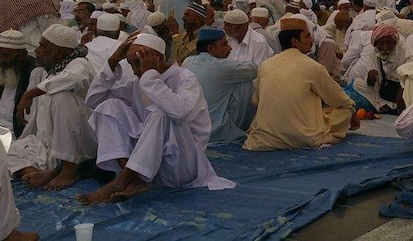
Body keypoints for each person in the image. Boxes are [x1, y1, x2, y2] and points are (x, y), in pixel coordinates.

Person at [80, 33, 233, 205]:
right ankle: (134, 179)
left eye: (139, 63)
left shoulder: (184, 78)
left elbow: (181, 112)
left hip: (180, 165)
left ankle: (122, 180)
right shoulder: (138, 82)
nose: (136, 71)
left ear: (158, 58)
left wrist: (150, 76)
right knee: (108, 107)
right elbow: (93, 101)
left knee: (162, 110)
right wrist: (113, 61)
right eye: (131, 64)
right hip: (148, 170)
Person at [244, 17, 357, 151]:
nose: (312, 40)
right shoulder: (313, 66)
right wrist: (353, 111)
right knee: (346, 110)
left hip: (264, 138)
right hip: (303, 136)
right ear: (295, 42)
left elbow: (256, 102)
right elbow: (339, 99)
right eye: (308, 36)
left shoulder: (265, 65)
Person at [7, 25, 96, 191]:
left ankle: (69, 170)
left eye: (43, 46)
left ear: (60, 52)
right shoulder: (42, 72)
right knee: (7, 151)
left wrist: (28, 95)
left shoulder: (80, 64)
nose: (38, 51)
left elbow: (70, 79)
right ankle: (41, 173)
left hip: (80, 144)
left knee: (61, 96)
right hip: (47, 143)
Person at [183, 28, 258, 144]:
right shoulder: (221, 67)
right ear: (210, 49)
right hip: (215, 131)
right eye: (224, 45)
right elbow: (255, 69)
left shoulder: (187, 61)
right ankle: (243, 127)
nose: (230, 48)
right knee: (244, 82)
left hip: (189, 130)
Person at [0, 30, 37, 138]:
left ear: (22, 55)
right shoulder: (3, 68)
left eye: (5, 55)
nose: (1, 60)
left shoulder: (34, 74)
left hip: (17, 138)